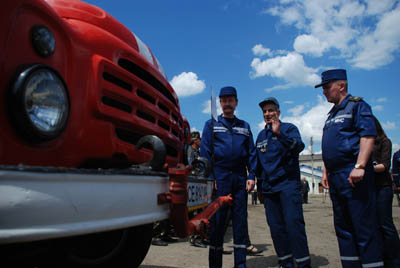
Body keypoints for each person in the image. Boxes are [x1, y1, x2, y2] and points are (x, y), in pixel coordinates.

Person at [316, 69, 383, 267]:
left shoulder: (357, 106)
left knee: (364, 227)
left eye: (327, 87)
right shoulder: (332, 114)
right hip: (336, 177)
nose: (324, 92)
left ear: (341, 86)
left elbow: (368, 135)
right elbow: (330, 147)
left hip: (353, 175)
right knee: (343, 228)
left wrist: (360, 165)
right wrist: (326, 172)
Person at [200, 86, 257, 268]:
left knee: (240, 223)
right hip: (220, 178)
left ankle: (240, 264)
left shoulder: (244, 126)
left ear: (236, 102)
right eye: (224, 101)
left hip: (240, 178)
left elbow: (251, 153)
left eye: (230, 100)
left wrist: (252, 175)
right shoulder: (211, 125)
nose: (227, 104)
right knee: (217, 224)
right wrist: (211, 177)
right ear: (220, 103)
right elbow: (205, 153)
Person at [255, 97, 311, 268]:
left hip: (288, 185)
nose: (268, 114)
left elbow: (298, 147)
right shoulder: (261, 136)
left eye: (271, 110)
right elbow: (258, 164)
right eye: (265, 111)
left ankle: (302, 263)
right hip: (269, 189)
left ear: (278, 112)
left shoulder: (289, 129)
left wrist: (279, 134)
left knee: (294, 225)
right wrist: (259, 185)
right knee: (276, 228)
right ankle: (285, 262)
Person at [372, 116, 400, 267]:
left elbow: (385, 165)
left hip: (382, 187)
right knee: (374, 224)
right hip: (369, 189)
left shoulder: (384, 142)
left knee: (385, 224)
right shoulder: (363, 144)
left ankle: (395, 259)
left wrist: (367, 168)